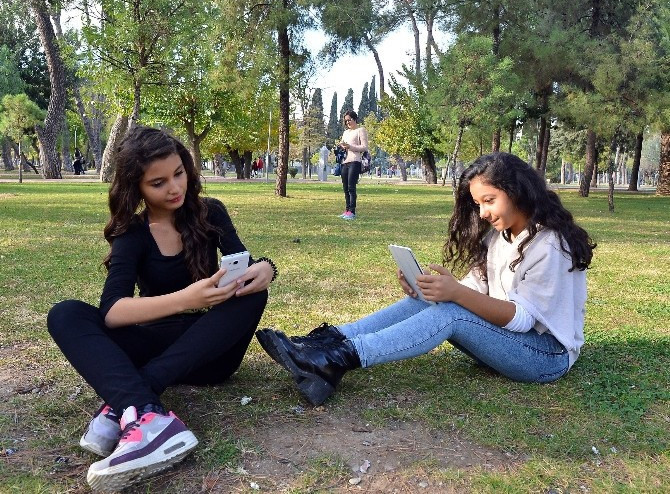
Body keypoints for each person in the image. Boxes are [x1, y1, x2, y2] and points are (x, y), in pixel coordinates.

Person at [256, 152, 595, 406]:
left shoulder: (548, 244)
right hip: (512, 342)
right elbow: (477, 292)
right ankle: (328, 342)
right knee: (435, 300)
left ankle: (335, 360)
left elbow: (521, 320)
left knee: (451, 311)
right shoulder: (500, 235)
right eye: (478, 203)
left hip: (545, 357)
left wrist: (455, 294)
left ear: (517, 191)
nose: (482, 213)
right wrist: (431, 289)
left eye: (489, 201)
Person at [47, 126, 277, 491]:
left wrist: (265, 268)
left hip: (210, 351)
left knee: (252, 295)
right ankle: (147, 414)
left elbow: (243, 266)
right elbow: (113, 312)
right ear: (136, 187)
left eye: (179, 173)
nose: (174, 188)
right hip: (154, 341)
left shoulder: (211, 213)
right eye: (158, 183)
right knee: (65, 313)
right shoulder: (132, 232)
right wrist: (187, 298)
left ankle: (130, 400)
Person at [337, 110, 368, 220]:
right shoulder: (346, 132)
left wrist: (351, 147)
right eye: (346, 121)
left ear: (355, 119)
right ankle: (347, 210)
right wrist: (342, 146)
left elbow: (364, 147)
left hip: (355, 161)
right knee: (345, 187)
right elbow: (343, 145)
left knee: (351, 187)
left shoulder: (360, 130)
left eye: (349, 120)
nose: (348, 122)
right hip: (345, 161)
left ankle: (352, 211)